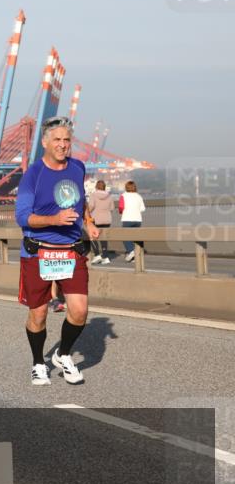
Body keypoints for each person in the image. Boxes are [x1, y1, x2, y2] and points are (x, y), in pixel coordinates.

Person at [15, 116, 100, 386]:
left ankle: (63, 355)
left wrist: (88, 222)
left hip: (71, 251)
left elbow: (81, 199)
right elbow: (22, 217)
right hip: (39, 252)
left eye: (67, 140)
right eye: (57, 140)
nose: (63, 145)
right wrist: (53, 220)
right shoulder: (33, 175)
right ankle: (38, 361)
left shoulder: (77, 167)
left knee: (79, 311)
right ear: (45, 143)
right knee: (38, 314)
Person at [87, 180, 113, 264]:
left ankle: (97, 255)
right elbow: (112, 208)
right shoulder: (109, 196)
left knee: (93, 236)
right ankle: (105, 257)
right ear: (104, 187)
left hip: (96, 219)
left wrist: (87, 213)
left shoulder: (93, 195)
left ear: (96, 186)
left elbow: (91, 206)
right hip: (107, 219)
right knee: (104, 238)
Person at [119, 180, 146, 262]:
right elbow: (143, 209)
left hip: (127, 219)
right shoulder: (139, 196)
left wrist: (121, 212)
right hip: (137, 219)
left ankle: (131, 251)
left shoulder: (123, 195)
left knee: (125, 236)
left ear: (126, 187)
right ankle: (135, 257)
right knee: (135, 238)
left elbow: (121, 207)